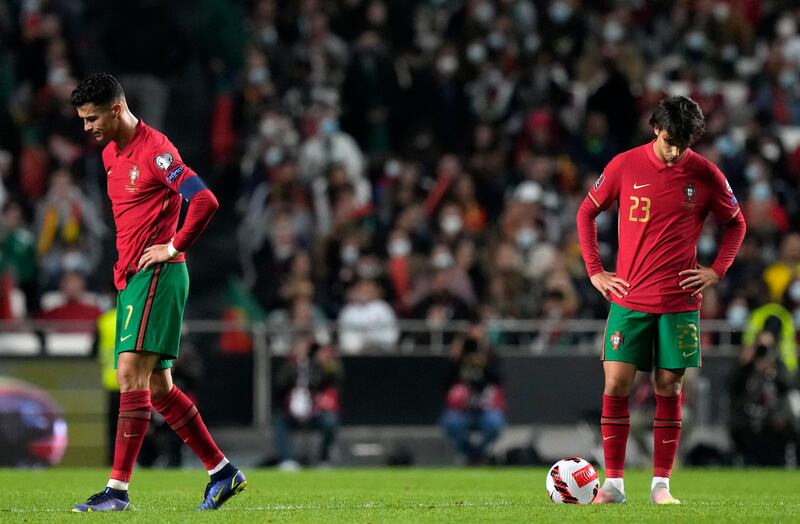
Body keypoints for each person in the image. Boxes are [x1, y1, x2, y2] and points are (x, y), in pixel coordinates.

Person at [69, 73, 245, 512]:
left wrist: (173, 245)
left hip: (158, 275)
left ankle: (117, 491)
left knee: (129, 373)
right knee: (159, 387)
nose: (86, 128)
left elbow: (204, 200)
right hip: (132, 278)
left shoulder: (156, 151)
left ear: (115, 109)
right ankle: (221, 471)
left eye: (91, 119)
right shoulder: (111, 152)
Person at [576, 96, 746, 504]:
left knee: (668, 387)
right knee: (616, 384)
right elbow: (586, 213)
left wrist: (717, 271)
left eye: (684, 144)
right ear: (655, 128)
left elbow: (736, 224)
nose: (675, 151)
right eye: (670, 141)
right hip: (630, 298)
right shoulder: (623, 165)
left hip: (679, 301)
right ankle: (614, 484)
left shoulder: (705, 174)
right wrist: (595, 271)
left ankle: (661, 486)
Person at [440, 322, 505, 465]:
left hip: (485, 408)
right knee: (451, 422)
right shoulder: (457, 359)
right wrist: (455, 359)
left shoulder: (491, 357)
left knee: (494, 423)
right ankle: (469, 454)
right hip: (461, 410)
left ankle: (479, 454)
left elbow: (499, 380)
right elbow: (443, 383)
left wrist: (484, 362)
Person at [272, 338, 342, 470]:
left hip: (314, 412)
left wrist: (325, 363)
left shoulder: (319, 367)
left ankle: (324, 459)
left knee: (330, 421)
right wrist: (293, 365)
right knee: (279, 421)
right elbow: (279, 386)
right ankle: (288, 459)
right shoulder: (289, 366)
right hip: (292, 412)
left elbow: (334, 380)